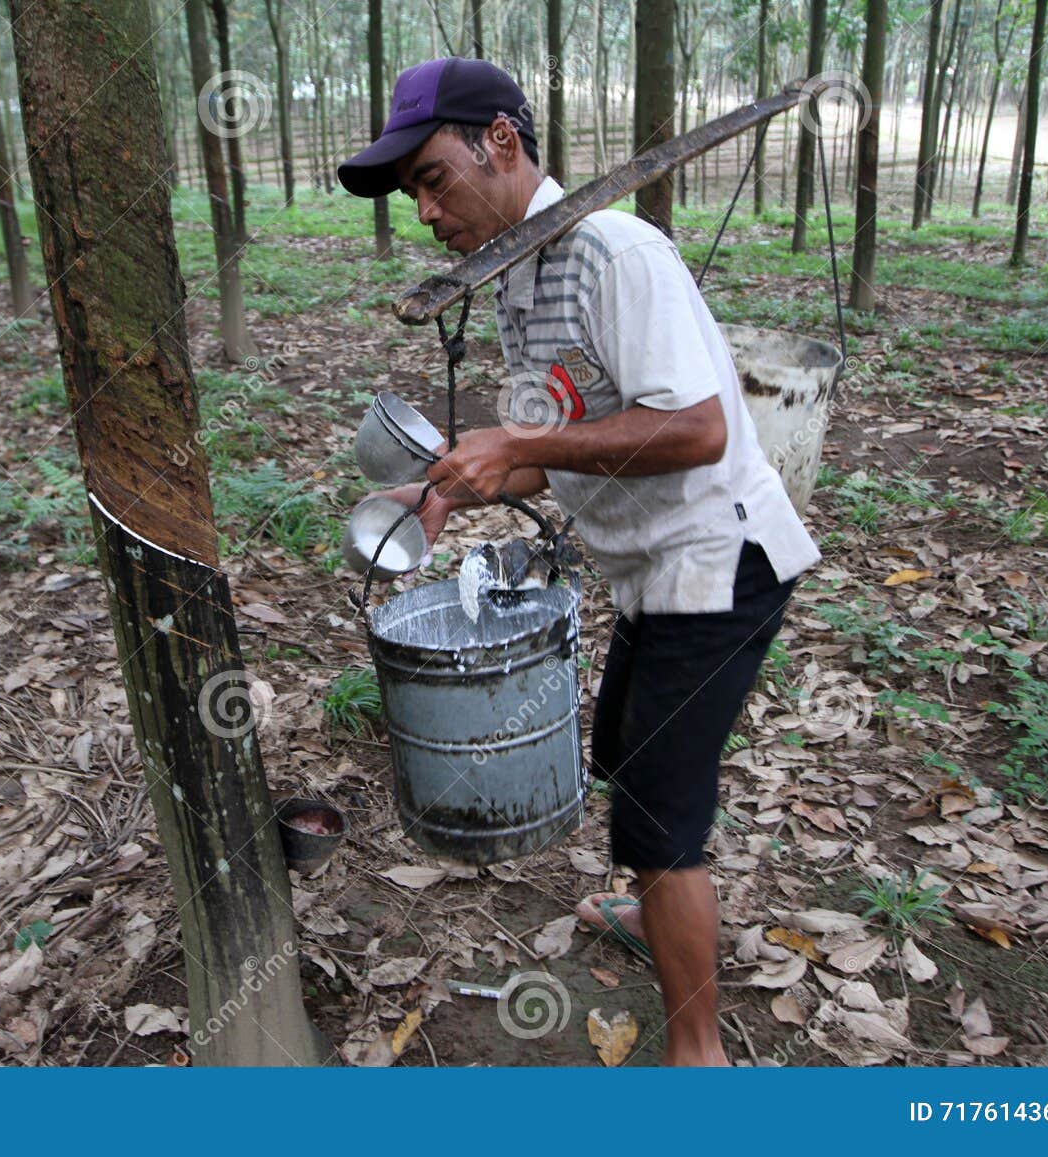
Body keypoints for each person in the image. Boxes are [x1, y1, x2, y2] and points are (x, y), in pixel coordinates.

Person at [337, 57, 821, 1066]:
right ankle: (655, 909)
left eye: (432, 178)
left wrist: (518, 447)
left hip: (718, 556)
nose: (425, 211)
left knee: (656, 811)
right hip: (649, 564)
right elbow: (562, 445)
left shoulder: (613, 255)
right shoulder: (522, 274)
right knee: (621, 754)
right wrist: (447, 488)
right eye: (413, 193)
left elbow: (692, 427)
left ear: (500, 143)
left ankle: (700, 1053)